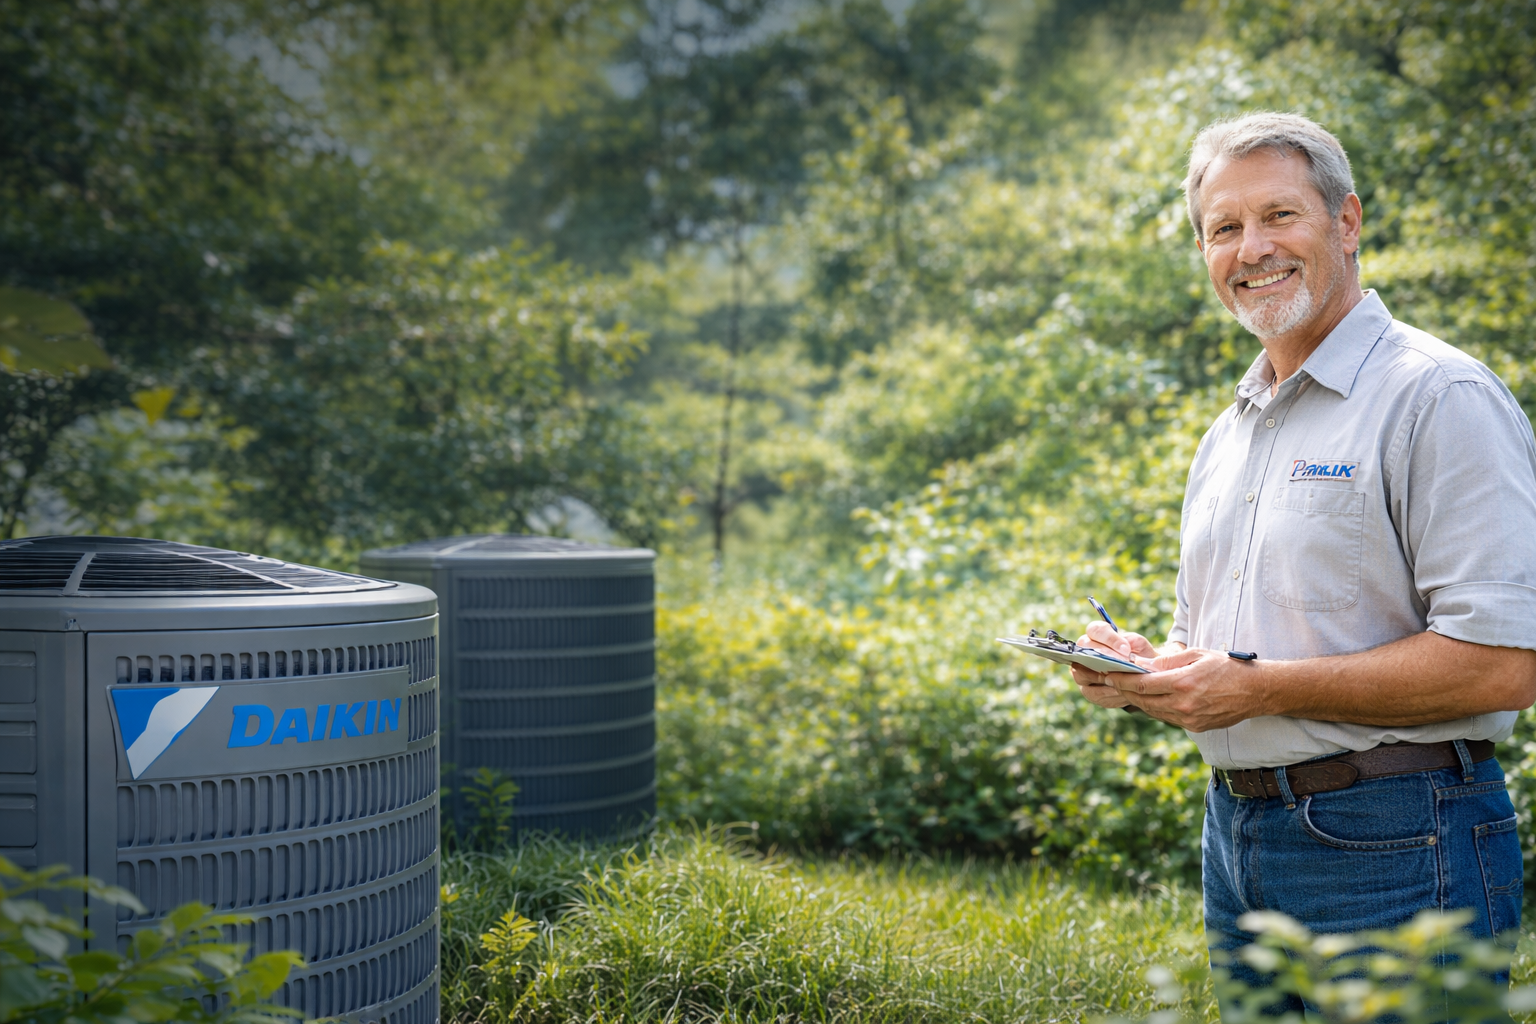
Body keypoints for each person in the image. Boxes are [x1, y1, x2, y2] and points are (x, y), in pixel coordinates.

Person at [1068, 112, 1536, 1006]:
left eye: (1279, 216)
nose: (1252, 248)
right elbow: (1219, 648)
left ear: (1347, 222)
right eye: (1223, 229)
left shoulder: (1440, 397)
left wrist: (1259, 688)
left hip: (1399, 837)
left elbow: (1505, 665)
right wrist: (1146, 671)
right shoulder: (1229, 432)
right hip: (1237, 835)